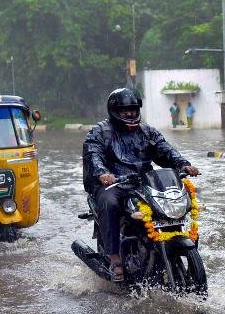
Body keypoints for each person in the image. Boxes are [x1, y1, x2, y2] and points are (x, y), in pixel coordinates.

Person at [83, 87, 199, 282]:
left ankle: (162, 247)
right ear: (115, 111)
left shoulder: (147, 132)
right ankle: (115, 259)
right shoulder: (100, 132)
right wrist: (103, 173)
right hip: (115, 184)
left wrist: (183, 164)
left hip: (144, 183)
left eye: (133, 109)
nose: (130, 113)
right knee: (110, 203)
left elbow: (165, 150)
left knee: (173, 201)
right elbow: (93, 154)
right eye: (124, 110)